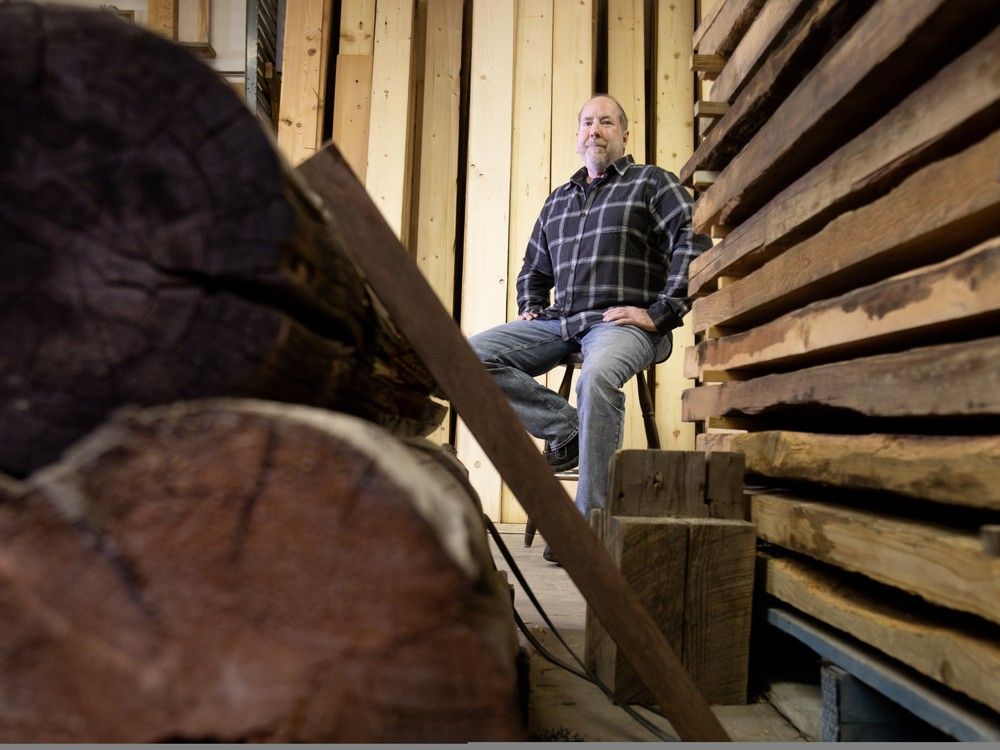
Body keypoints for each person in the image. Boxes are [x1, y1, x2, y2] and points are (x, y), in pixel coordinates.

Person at [470, 94, 711, 561]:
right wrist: (531, 305)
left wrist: (660, 312)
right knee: (469, 355)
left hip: (622, 323)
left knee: (597, 377)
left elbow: (693, 238)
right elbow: (533, 268)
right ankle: (566, 431)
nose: (594, 130)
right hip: (562, 322)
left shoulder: (651, 182)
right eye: (586, 122)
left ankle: (587, 529)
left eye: (605, 122)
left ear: (624, 134)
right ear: (577, 135)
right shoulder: (559, 200)